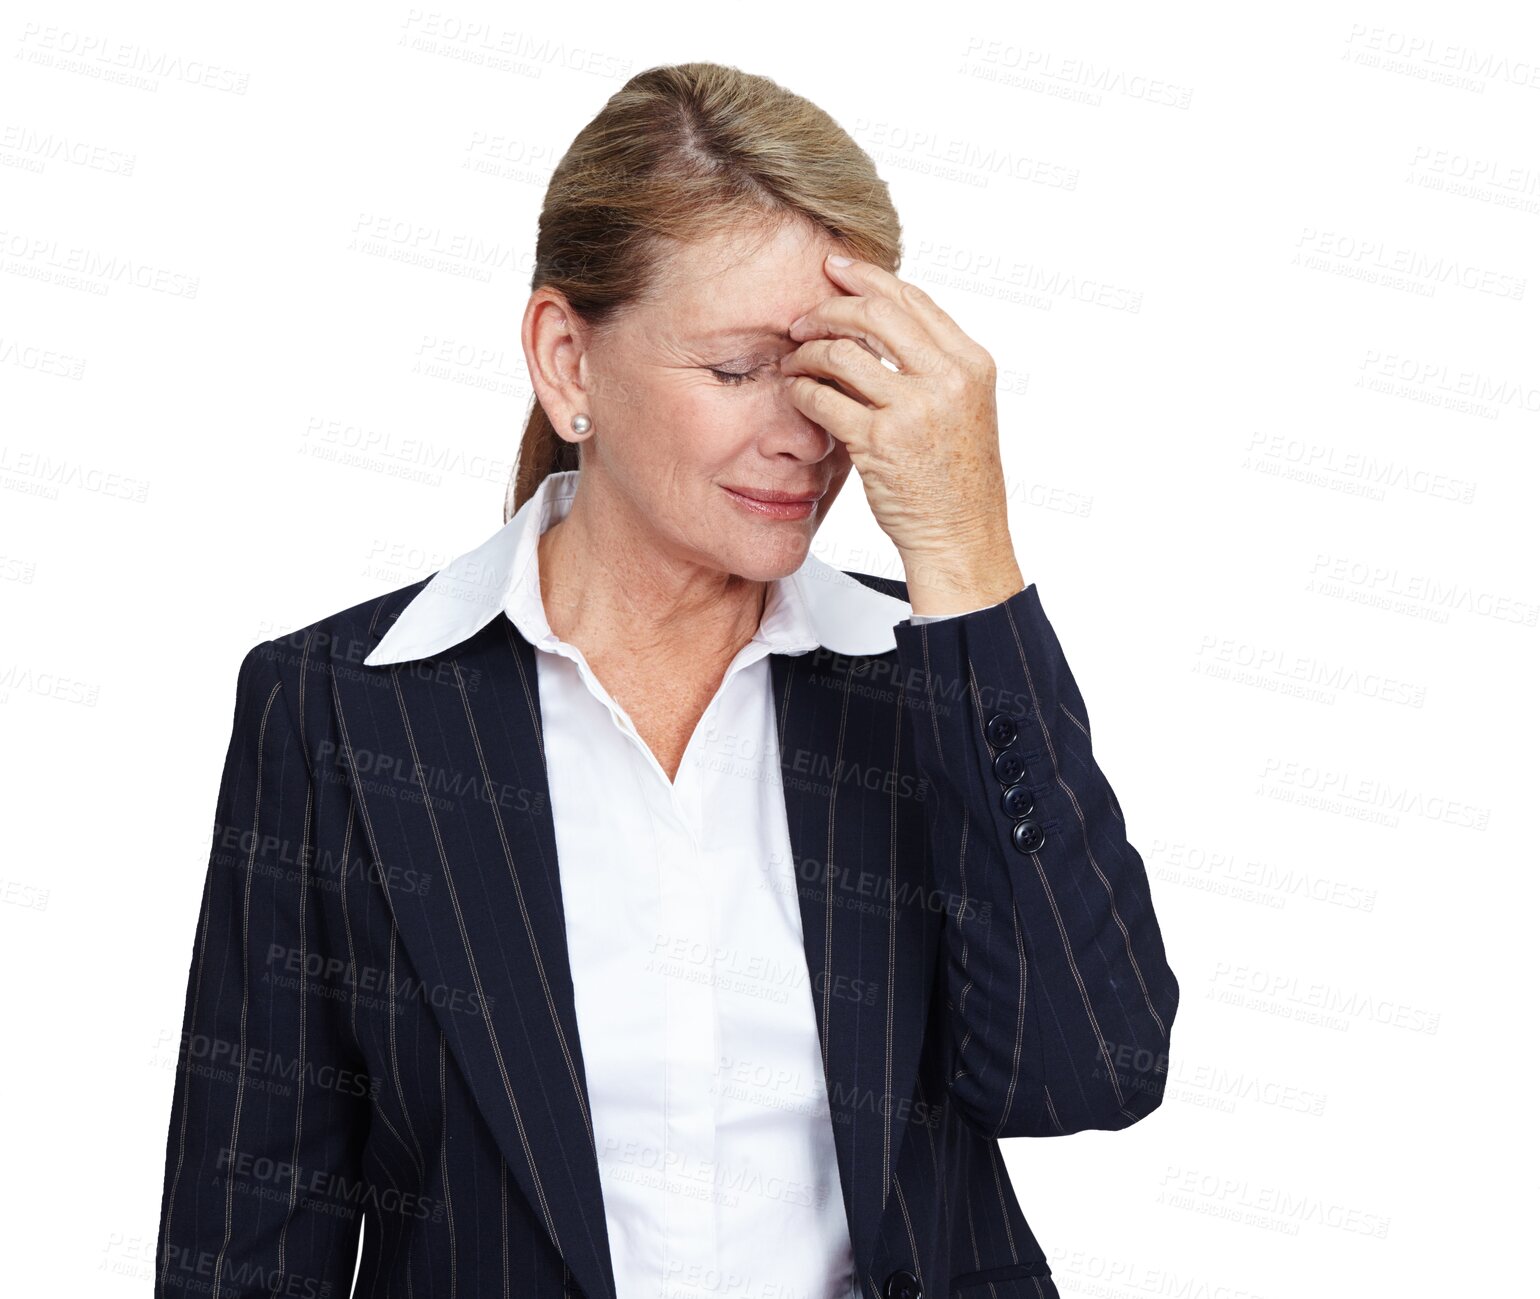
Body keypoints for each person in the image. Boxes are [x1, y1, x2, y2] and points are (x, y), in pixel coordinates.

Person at [154, 60, 1178, 1299]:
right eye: (738, 369)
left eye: (832, 368)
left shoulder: (931, 675)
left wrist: (967, 556)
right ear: (568, 362)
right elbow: (252, 1233)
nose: (802, 430)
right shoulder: (337, 710)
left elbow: (1088, 1072)